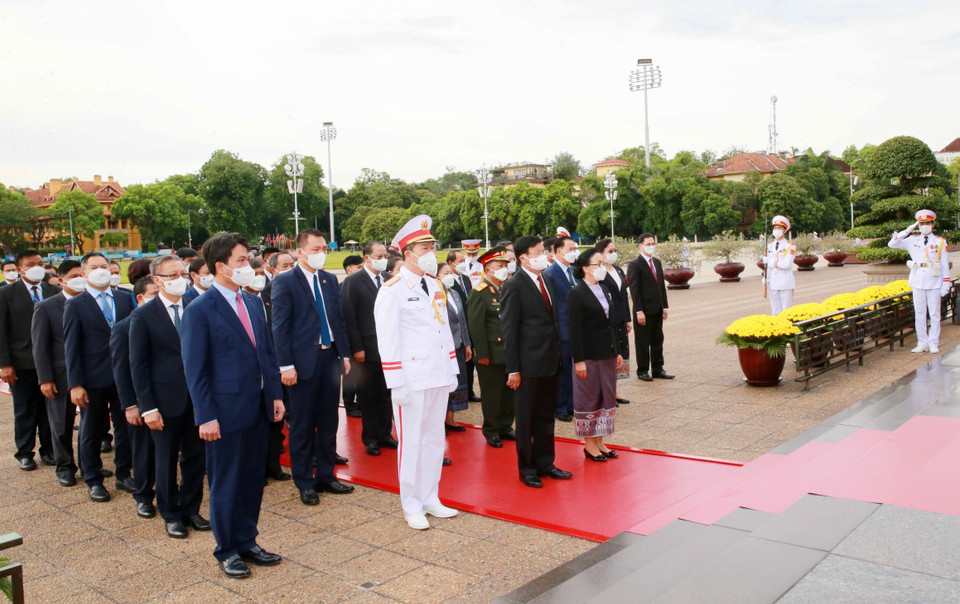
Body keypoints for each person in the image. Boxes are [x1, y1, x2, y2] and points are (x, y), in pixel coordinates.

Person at [181, 233, 285, 578]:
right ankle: (227, 549)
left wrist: (275, 396)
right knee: (227, 481)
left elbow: (266, 355)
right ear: (221, 267)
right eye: (241, 261)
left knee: (253, 479)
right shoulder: (199, 310)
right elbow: (195, 369)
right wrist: (206, 416)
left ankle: (247, 540)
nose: (248, 266)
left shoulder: (253, 302)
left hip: (257, 406)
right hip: (224, 413)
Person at [374, 215, 460, 530]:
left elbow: (444, 329)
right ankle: (411, 505)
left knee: (435, 439)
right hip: (411, 378)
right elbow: (387, 339)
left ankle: (430, 497)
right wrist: (395, 382)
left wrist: (452, 369)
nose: (431, 253)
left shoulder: (435, 284)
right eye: (425, 247)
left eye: (432, 246)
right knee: (410, 443)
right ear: (408, 252)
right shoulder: (393, 290)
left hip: (437, 374)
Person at [271, 229, 354, 506]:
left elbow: (337, 320)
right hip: (302, 363)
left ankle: (327, 475)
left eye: (324, 249)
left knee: (329, 420)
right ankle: (305, 481)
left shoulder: (329, 280)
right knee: (303, 425)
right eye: (316, 249)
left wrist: (344, 354)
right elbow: (280, 327)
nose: (321, 254)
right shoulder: (285, 282)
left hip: (329, 358)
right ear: (300, 251)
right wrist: (286, 365)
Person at [130, 256, 210, 538]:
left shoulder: (195, 306)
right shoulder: (143, 314)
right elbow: (138, 366)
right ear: (157, 280)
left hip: (197, 398)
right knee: (165, 460)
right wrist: (147, 407)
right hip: (164, 401)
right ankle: (171, 513)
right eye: (172, 274)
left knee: (195, 458)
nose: (180, 278)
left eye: (182, 273)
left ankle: (192, 509)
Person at [64, 252, 137, 501]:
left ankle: (123, 472)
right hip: (93, 378)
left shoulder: (125, 298)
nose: (101, 270)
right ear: (84, 273)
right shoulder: (75, 304)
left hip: (124, 376)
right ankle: (93, 478)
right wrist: (75, 383)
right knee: (91, 429)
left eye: (104, 266)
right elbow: (71, 347)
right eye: (94, 267)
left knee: (126, 427)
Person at [500, 236, 571, 488]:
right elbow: (510, 332)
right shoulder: (514, 286)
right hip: (527, 366)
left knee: (545, 417)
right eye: (538, 252)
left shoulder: (547, 280)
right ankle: (527, 468)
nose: (544, 255)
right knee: (526, 420)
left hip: (550, 361)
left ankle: (546, 462)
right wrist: (514, 369)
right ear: (523, 257)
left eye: (544, 251)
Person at [0, 250, 57, 471]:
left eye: (40, 263)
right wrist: (4, 364)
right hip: (22, 361)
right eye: (31, 264)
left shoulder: (53, 290)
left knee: (49, 407)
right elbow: (2, 331)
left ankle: (49, 449)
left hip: (51, 361)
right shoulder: (6, 294)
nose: (37, 267)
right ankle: (24, 452)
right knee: (25, 407)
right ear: (20, 268)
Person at [341, 241, 397, 456]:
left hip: (388, 348)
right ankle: (371, 438)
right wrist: (357, 348)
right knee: (368, 395)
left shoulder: (390, 280)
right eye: (379, 255)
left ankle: (385, 433)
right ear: (367, 258)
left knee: (386, 394)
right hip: (365, 349)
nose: (384, 258)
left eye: (386, 255)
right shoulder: (353, 282)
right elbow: (349, 316)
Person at [110, 276, 159, 520]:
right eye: (154, 293)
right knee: (143, 452)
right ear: (140, 298)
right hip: (141, 402)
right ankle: (143, 496)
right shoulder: (123, 328)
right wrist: (130, 405)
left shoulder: (174, 320)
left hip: (168, 398)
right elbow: (122, 371)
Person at [31, 260, 84, 485]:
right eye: (74, 276)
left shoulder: (91, 302)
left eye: (82, 274)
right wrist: (45, 378)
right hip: (61, 375)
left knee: (91, 426)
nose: (80, 279)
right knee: (61, 425)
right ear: (62, 280)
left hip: (90, 373)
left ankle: (91, 465)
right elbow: (40, 346)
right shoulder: (46, 307)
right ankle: (65, 466)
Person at [568, 249, 622, 461]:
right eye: (597, 263)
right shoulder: (576, 293)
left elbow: (612, 325)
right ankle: (589, 444)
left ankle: (600, 441)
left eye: (603, 263)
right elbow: (574, 329)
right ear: (585, 268)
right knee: (589, 397)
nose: (602, 267)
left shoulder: (605, 289)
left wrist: (616, 352)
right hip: (588, 356)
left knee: (605, 396)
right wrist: (579, 360)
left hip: (606, 353)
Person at [466, 246, 516, 448]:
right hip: (491, 354)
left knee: (509, 392)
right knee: (492, 394)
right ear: (488, 270)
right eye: (499, 266)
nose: (504, 268)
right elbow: (476, 326)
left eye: (506, 265)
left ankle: (506, 426)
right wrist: (482, 354)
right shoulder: (480, 293)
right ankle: (491, 430)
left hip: (508, 353)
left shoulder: (506, 288)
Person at [889, 209, 952, 353]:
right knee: (920, 312)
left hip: (934, 281)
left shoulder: (940, 242)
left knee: (935, 314)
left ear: (932, 225)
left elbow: (944, 266)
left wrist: (946, 285)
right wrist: (909, 228)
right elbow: (892, 243)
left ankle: (933, 342)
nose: (925, 226)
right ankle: (922, 342)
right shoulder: (912, 240)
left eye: (927, 223)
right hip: (917, 280)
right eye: (922, 223)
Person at [261, 251, 294, 482]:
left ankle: (274, 464)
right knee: (268, 417)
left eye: (292, 264)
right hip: (270, 364)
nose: (289, 268)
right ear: (272, 269)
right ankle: (263, 465)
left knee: (282, 416)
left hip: (291, 362)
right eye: (284, 265)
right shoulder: (262, 296)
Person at [627, 233, 673, 382]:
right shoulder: (635, 265)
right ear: (640, 245)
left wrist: (664, 307)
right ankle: (642, 370)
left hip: (657, 309)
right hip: (643, 311)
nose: (651, 246)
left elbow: (661, 287)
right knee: (642, 341)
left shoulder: (657, 263)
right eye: (648, 244)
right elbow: (634, 290)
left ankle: (658, 368)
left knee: (657, 340)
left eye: (653, 243)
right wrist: (638, 311)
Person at [543, 236, 578, 422]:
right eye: (570, 248)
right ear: (557, 251)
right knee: (563, 371)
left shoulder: (575, 271)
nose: (573, 251)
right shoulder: (549, 273)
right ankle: (561, 407)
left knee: (574, 369)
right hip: (561, 330)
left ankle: (572, 404)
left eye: (574, 248)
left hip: (577, 330)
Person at [596, 238, 632, 402]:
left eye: (614, 251)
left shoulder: (618, 270)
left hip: (620, 319)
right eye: (610, 251)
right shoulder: (599, 272)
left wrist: (628, 318)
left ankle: (616, 391)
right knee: (608, 355)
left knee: (620, 354)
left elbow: (624, 296)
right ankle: (605, 392)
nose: (613, 254)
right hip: (606, 320)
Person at [438, 263, 472, 432]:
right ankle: (439, 421)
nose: (450, 276)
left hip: (458, 345)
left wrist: (467, 343)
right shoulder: (436, 296)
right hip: (444, 348)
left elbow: (463, 321)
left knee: (458, 383)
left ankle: (451, 418)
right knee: (444, 384)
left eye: (451, 273)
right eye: (446, 273)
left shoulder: (456, 294)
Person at [445, 250, 479, 402]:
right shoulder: (447, 282)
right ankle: (458, 394)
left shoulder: (465, 278)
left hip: (468, 323)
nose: (462, 263)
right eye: (459, 261)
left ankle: (469, 390)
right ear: (451, 263)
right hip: (455, 325)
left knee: (469, 359)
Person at [341, 255, 365, 418]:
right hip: (347, 338)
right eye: (358, 267)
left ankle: (362, 403)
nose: (362, 270)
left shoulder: (363, 286)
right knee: (350, 374)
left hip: (362, 338)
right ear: (348, 269)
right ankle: (349, 404)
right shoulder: (342, 287)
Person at [763, 215, 797, 315]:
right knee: (775, 311)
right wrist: (765, 278)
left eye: (779, 228)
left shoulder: (790, 246)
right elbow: (766, 267)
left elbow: (786, 264)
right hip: (772, 282)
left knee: (786, 312)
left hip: (785, 282)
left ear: (785, 231)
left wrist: (771, 262)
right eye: (775, 228)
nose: (776, 230)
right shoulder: (769, 246)